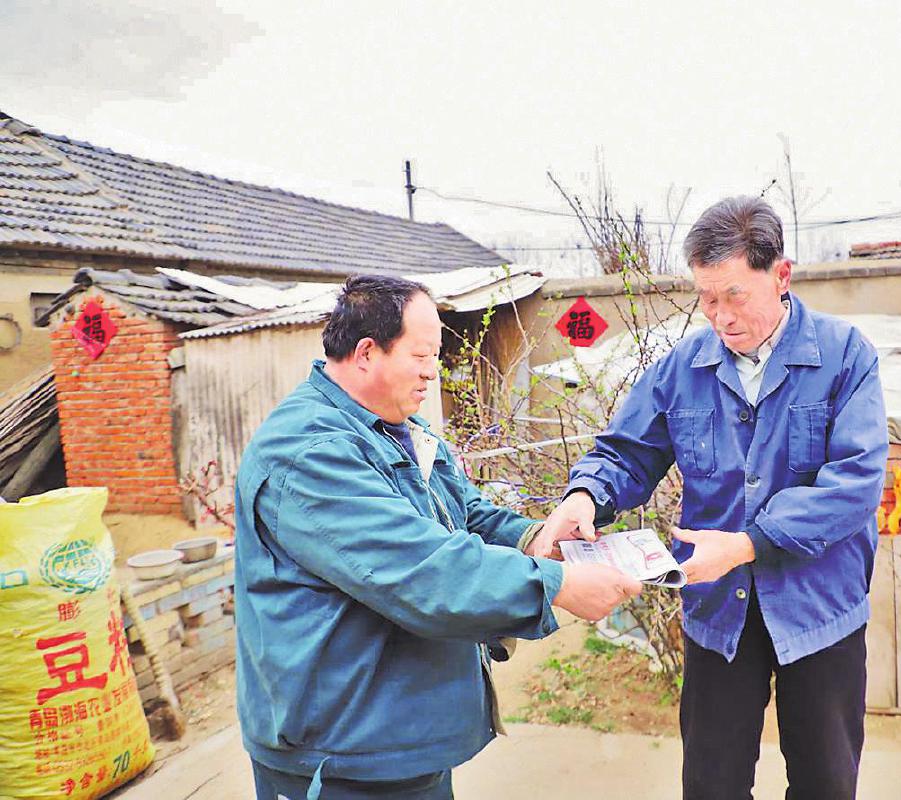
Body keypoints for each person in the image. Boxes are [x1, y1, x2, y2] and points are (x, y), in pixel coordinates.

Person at [531, 196, 889, 799]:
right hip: (719, 609)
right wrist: (586, 495)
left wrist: (749, 544)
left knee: (825, 783)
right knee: (711, 785)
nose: (721, 316)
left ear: (781, 275)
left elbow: (855, 482)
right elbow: (627, 451)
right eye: (707, 298)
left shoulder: (844, 355)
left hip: (819, 606)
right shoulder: (683, 368)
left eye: (735, 295)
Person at [234, 275, 640, 800]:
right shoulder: (309, 452)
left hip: (399, 736)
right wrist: (556, 584)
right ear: (366, 353)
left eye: (437, 355)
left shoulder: (398, 428)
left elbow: (465, 514)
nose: (434, 371)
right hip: (340, 754)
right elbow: (423, 570)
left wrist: (538, 539)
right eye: (422, 355)